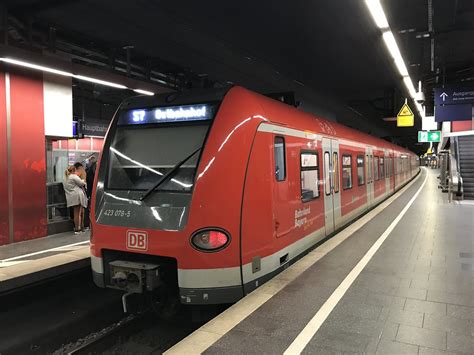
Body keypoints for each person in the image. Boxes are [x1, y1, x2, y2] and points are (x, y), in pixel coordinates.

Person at [64, 165, 88, 234]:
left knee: (76, 213)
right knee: (77, 214)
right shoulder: (74, 176)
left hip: (71, 197)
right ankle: (78, 229)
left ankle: (78, 228)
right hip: (77, 196)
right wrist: (83, 179)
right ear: (74, 170)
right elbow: (82, 183)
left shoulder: (66, 178)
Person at [84, 156, 97, 228]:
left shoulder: (87, 169)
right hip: (91, 191)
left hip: (88, 192)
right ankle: (88, 224)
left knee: (88, 207)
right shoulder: (92, 169)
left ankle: (87, 224)